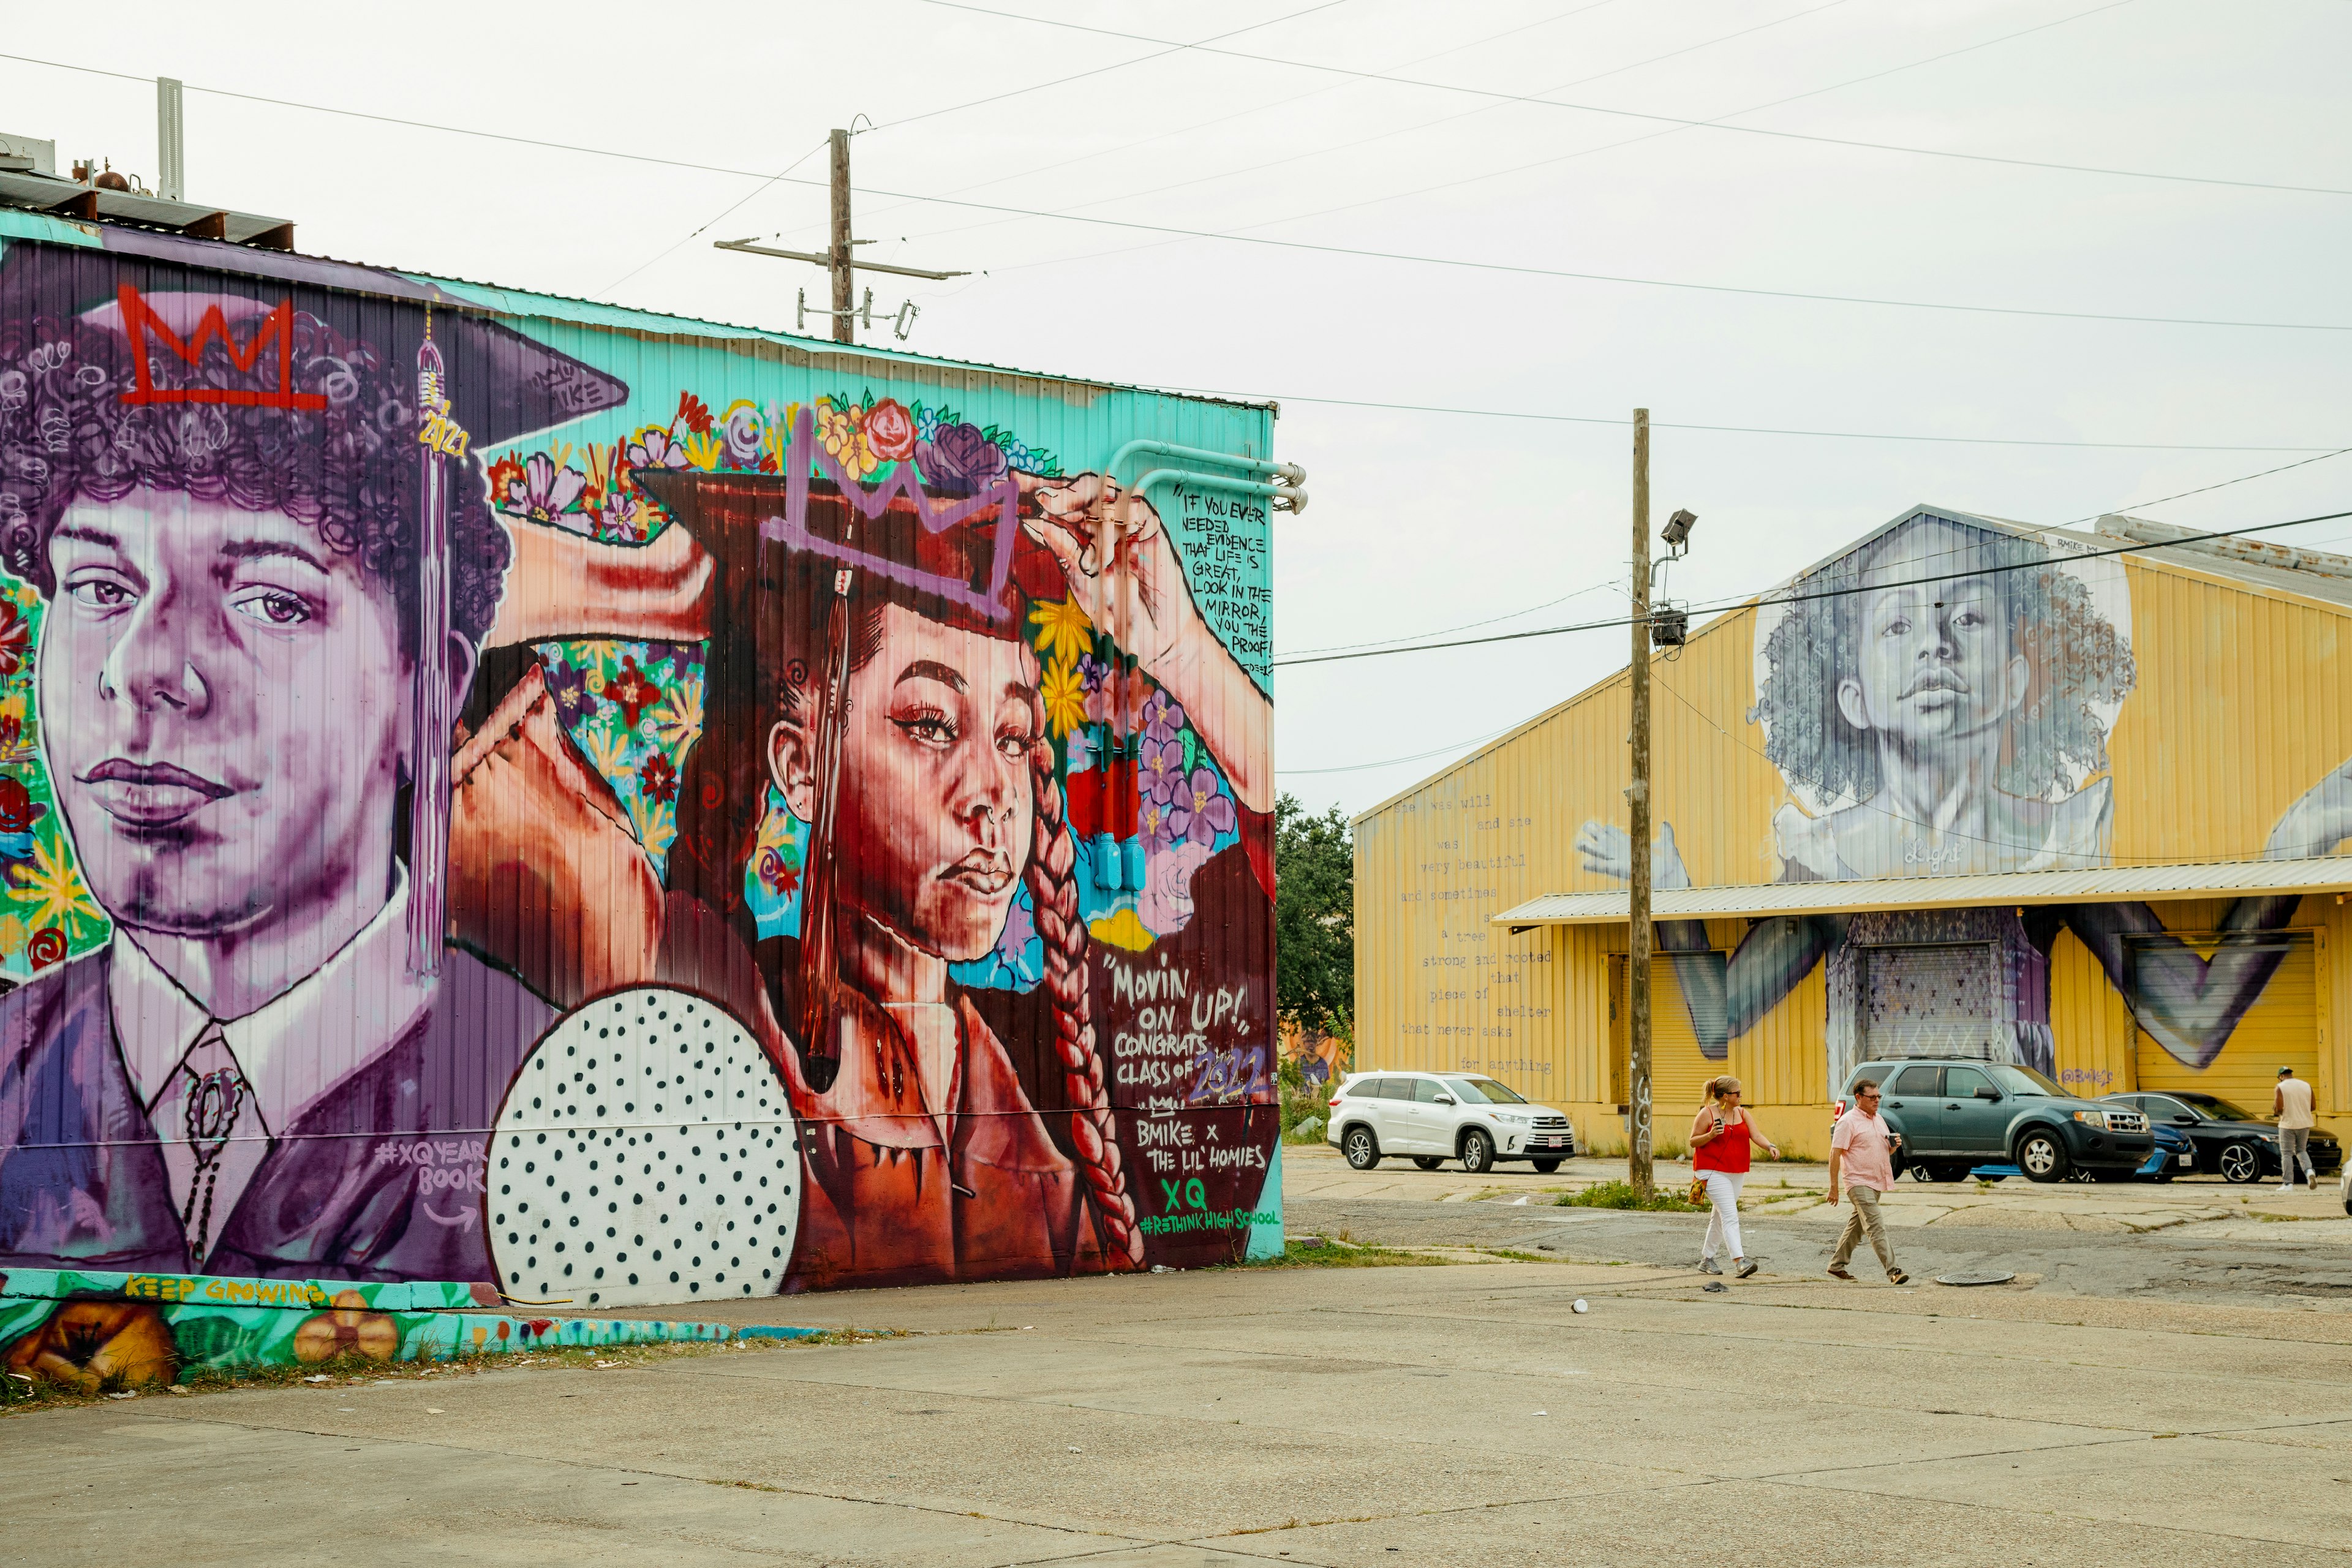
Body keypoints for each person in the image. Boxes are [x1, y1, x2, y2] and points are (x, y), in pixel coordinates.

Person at [0, 246, 625, 1280]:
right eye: (101, 588)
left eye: (270, 601)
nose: (142, 669)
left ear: (428, 694)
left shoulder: (567, 1103)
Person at [1577, 513, 2352, 1086]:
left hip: (2022, 1134)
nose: (1935, 644)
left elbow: (2195, 1022)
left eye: (1970, 616)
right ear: (1853, 697)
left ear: (2014, 681)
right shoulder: (1824, 863)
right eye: (1898, 624)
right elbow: (1718, 1021)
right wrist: (1669, 895)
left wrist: (2290, 853)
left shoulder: (2060, 849)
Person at [1691, 1074, 1779, 1278]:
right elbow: (1693, 1141)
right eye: (1737, 1093)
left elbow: (1756, 1135)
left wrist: (1770, 1146)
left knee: (1720, 1217)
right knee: (1730, 1215)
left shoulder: (1742, 1113)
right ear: (1725, 1096)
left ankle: (1707, 1260)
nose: (1740, 1096)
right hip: (1711, 1172)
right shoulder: (1707, 1114)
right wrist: (1711, 1135)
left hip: (1736, 1172)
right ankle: (1740, 1261)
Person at [1826, 1079, 1907, 1284]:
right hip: (1858, 1182)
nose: (1876, 1100)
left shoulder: (1879, 1119)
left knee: (1857, 1227)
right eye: (1872, 1097)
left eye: (1878, 1096)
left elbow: (1884, 1150)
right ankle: (1894, 1271)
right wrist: (1834, 1187)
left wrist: (1894, 1146)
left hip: (1876, 1181)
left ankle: (1836, 1266)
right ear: (1859, 1097)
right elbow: (1835, 1154)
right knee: (1875, 1226)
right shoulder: (1848, 1122)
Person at [2274, 1065, 2316, 1191]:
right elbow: (2313, 1107)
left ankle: (2288, 1184)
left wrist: (2276, 1110)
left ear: (2281, 1076)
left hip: (2287, 1125)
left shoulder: (2280, 1087)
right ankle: (2309, 1172)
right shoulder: (2306, 1085)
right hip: (2304, 1124)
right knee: (2301, 1150)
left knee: (2287, 1153)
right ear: (2291, 1074)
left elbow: (2279, 1108)